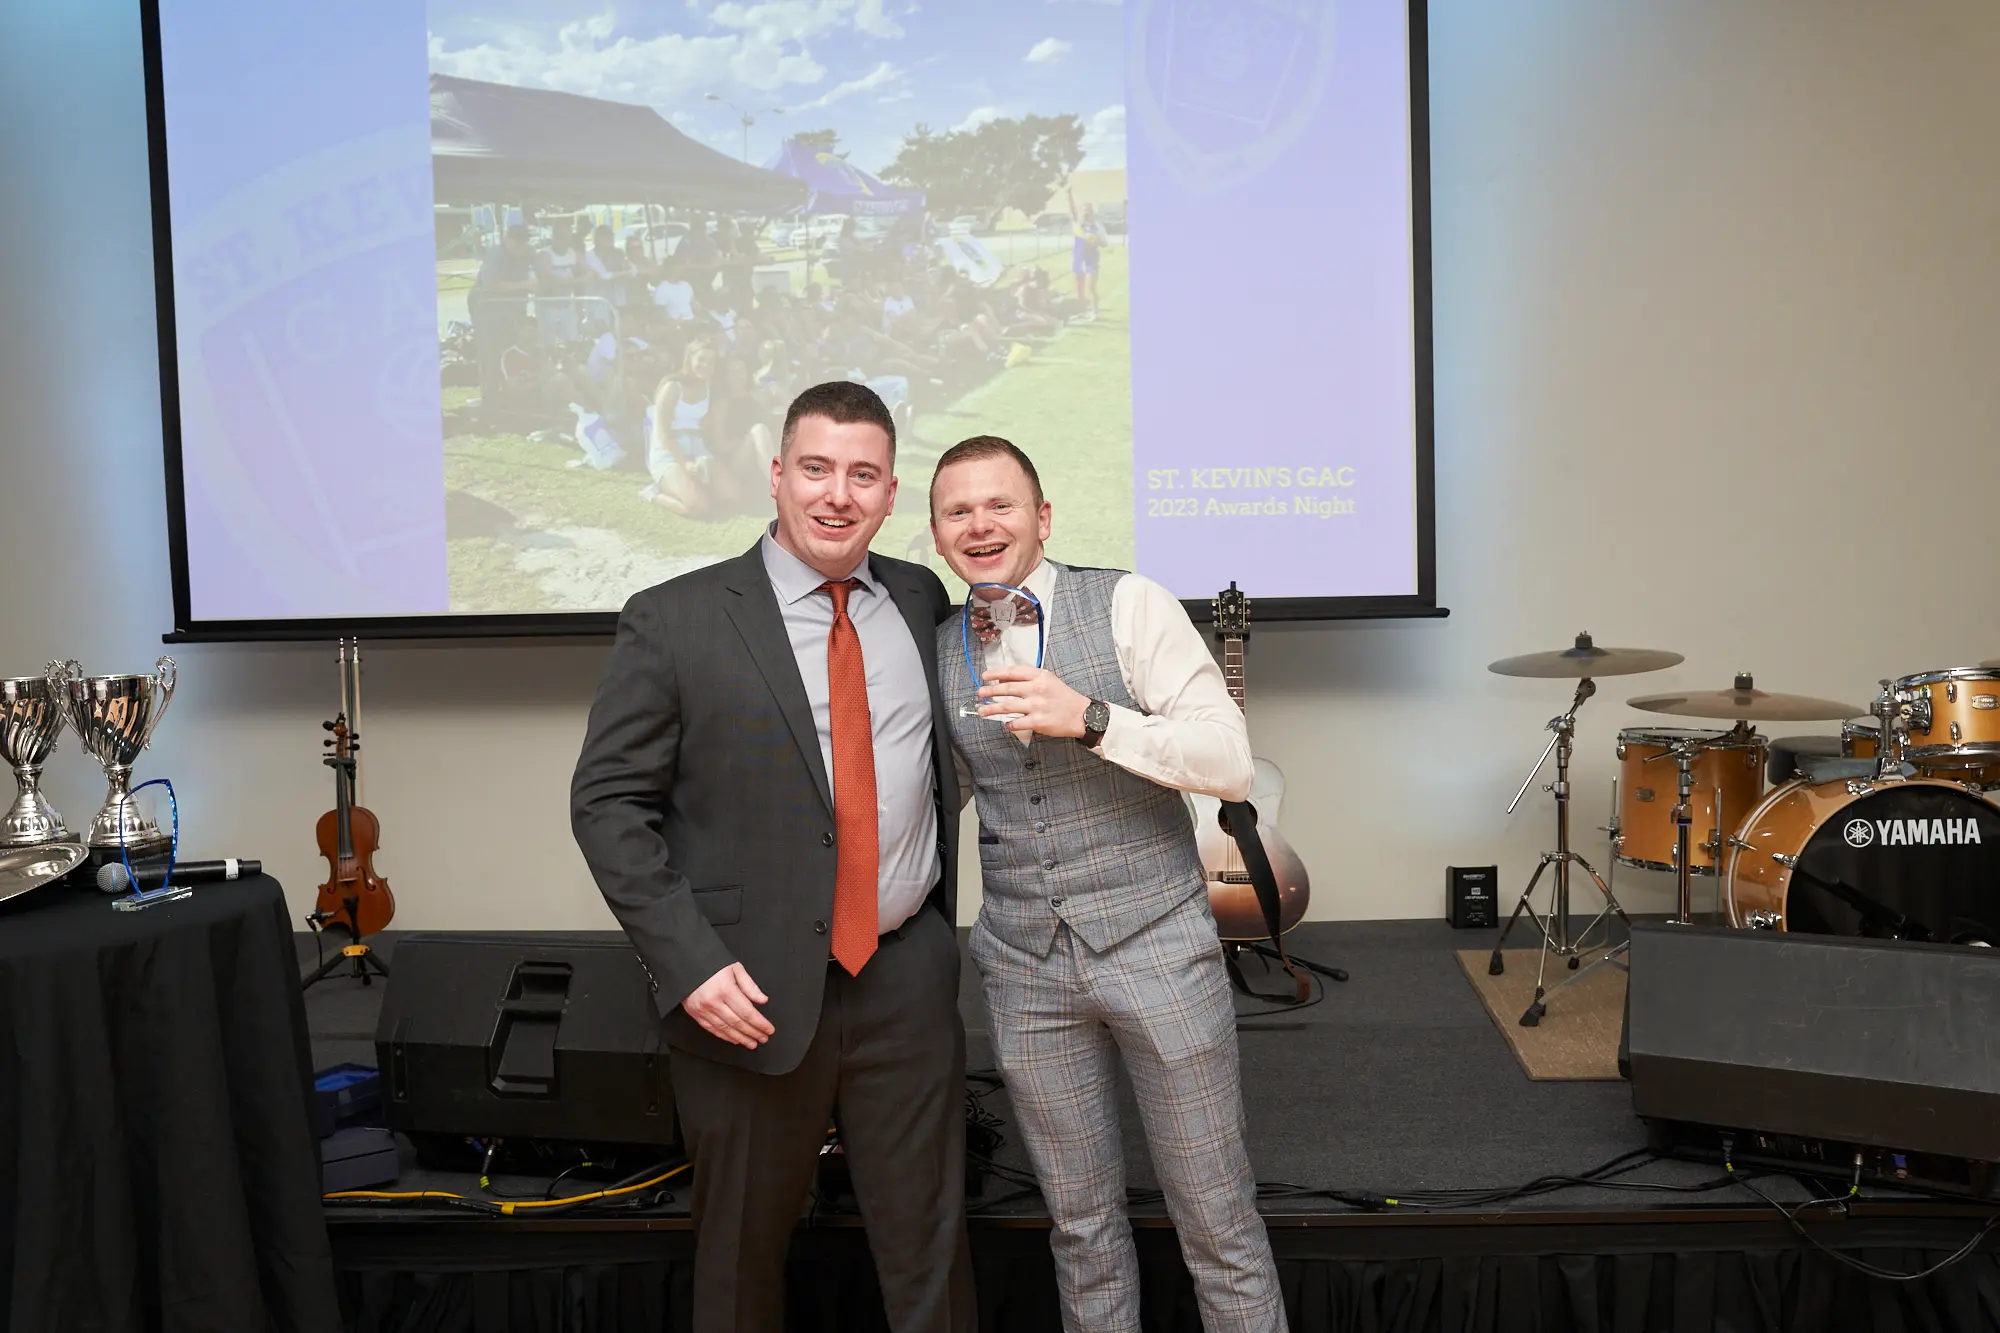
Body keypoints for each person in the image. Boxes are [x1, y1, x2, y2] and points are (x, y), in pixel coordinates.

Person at [572, 381, 975, 1333]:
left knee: (932, 1254)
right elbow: (606, 803)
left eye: (863, 475)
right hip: (744, 992)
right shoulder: (674, 618)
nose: (838, 494)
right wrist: (689, 962)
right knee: (741, 1265)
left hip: (905, 975)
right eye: (817, 469)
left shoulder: (917, 598)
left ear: (889, 494)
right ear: (776, 475)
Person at [929, 436, 1286, 1333]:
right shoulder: (937, 651)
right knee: (1080, 1229)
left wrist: (1090, 718)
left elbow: (1231, 759)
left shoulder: (1127, 603)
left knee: (1217, 1218)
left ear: (1042, 518)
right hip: (1022, 966)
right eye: (958, 511)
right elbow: (946, 798)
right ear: (936, 535)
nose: (981, 525)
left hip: (1158, 946)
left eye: (1000, 505)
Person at [1067, 187, 1105, 319]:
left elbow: (1105, 243)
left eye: (1087, 210)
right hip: (1078, 259)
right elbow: (1072, 212)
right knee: (1079, 288)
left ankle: (1095, 311)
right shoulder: (1078, 225)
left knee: (1091, 286)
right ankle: (1081, 311)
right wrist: (1069, 194)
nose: (1085, 213)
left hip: (1091, 260)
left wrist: (1096, 241)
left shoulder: (1098, 226)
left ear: (1092, 212)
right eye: (1083, 210)